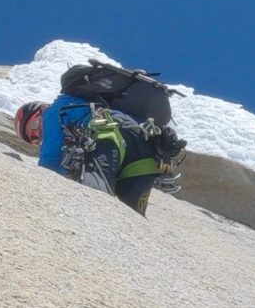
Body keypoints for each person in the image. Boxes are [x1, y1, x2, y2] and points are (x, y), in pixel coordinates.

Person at [14, 93, 186, 217]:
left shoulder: (53, 111)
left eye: (35, 124)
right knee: (133, 219)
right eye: (34, 139)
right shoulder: (87, 105)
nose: (38, 133)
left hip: (107, 137)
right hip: (145, 150)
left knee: (97, 207)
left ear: (41, 109)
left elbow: (49, 164)